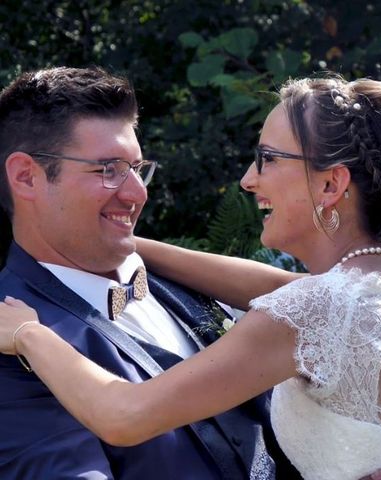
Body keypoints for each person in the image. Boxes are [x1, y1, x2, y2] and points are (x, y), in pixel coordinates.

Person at [0, 75, 381, 479]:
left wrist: (28, 334)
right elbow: (278, 289)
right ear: (24, 178)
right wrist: (115, 242)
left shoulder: (310, 311)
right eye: (108, 169)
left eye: (268, 159)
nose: (248, 179)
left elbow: (125, 415)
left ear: (332, 184)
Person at [0, 66, 303, 479]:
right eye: (108, 169)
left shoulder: (185, 283)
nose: (138, 193)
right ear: (25, 177)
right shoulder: (10, 340)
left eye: (137, 169)